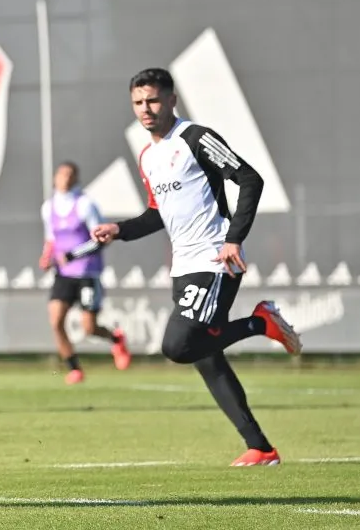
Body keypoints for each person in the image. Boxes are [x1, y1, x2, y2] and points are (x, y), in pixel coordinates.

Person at [65, 67, 301, 466]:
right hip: (185, 266)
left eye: (154, 100)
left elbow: (250, 179)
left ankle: (261, 323)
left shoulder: (195, 138)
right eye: (138, 102)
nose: (146, 109)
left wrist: (233, 239)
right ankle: (261, 447)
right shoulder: (148, 156)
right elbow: (158, 215)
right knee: (206, 357)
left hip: (215, 259)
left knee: (177, 346)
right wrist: (118, 230)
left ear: (173, 99)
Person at [39, 161, 131, 385]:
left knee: (89, 327)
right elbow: (51, 238)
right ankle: (74, 368)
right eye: (61, 174)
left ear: (76, 178)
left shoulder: (85, 205)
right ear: (55, 178)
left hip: (87, 272)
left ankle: (115, 338)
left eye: (70, 175)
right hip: (63, 274)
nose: (65, 179)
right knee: (55, 321)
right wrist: (46, 256)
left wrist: (71, 255)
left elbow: (100, 241)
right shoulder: (48, 208)